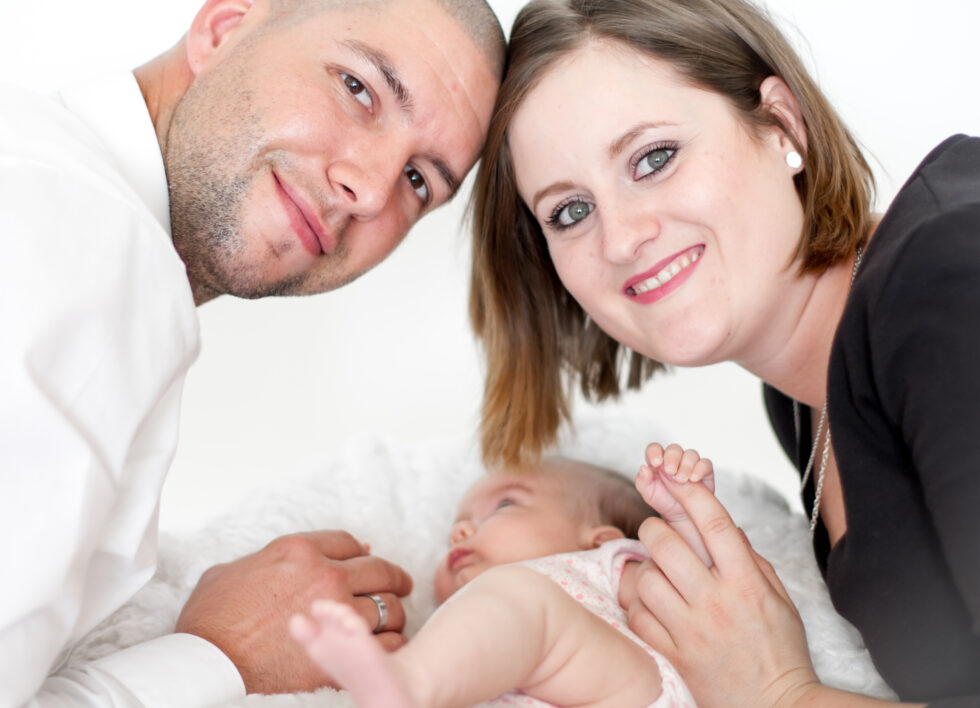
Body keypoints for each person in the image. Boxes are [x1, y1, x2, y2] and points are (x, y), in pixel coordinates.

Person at [468, 0, 980, 705]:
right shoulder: (803, 396)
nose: (620, 238)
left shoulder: (948, 283)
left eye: (654, 158)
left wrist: (778, 691)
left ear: (781, 125)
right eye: (571, 211)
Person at [0, 0, 503, 704]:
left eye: (419, 180)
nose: (369, 188)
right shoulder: (91, 244)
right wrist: (222, 654)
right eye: (358, 88)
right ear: (224, 26)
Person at [289, 449, 713, 708]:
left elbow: (699, 593)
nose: (461, 531)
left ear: (598, 538)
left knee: (522, 595)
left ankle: (404, 684)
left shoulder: (606, 564)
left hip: (628, 694)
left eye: (504, 506)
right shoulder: (462, 628)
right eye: (454, 528)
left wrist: (686, 516)